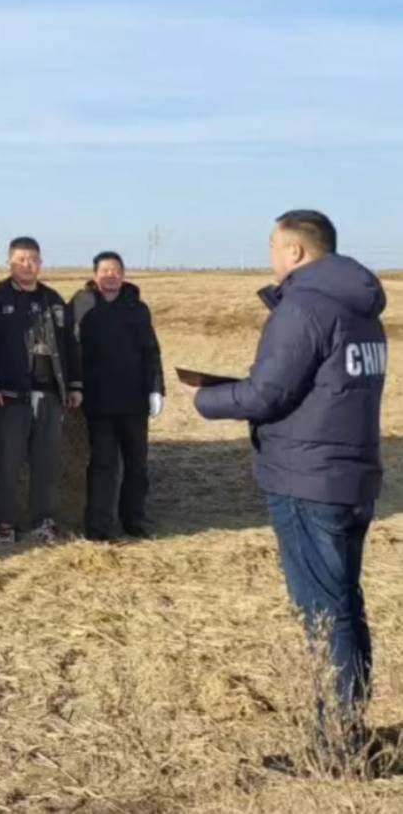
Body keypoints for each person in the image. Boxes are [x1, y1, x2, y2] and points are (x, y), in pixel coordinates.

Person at [185, 211, 386, 755]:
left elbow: (267, 394)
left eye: (273, 245)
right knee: (344, 605)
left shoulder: (304, 307)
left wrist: (205, 398)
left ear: (295, 251)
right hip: (350, 475)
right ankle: (350, 725)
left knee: (324, 613)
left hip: (307, 481)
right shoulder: (361, 310)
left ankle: (337, 745)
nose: (270, 255)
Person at [0, 236, 82, 545]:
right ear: (9, 263)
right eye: (21, 259)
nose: (27, 265)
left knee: (45, 463)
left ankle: (43, 521)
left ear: (41, 263)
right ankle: (4, 524)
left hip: (49, 395)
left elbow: (70, 345)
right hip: (10, 396)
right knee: (7, 462)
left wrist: (73, 385)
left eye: (33, 259)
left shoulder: (53, 301)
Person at [69, 252, 164, 541]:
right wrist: (74, 385)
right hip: (98, 400)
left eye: (116, 270)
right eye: (105, 270)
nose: (110, 275)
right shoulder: (82, 304)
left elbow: (151, 351)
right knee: (103, 464)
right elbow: (70, 347)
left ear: (123, 274)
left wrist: (156, 388)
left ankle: (134, 520)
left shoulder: (137, 308)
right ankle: (98, 527)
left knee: (137, 464)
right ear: (95, 274)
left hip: (134, 400)